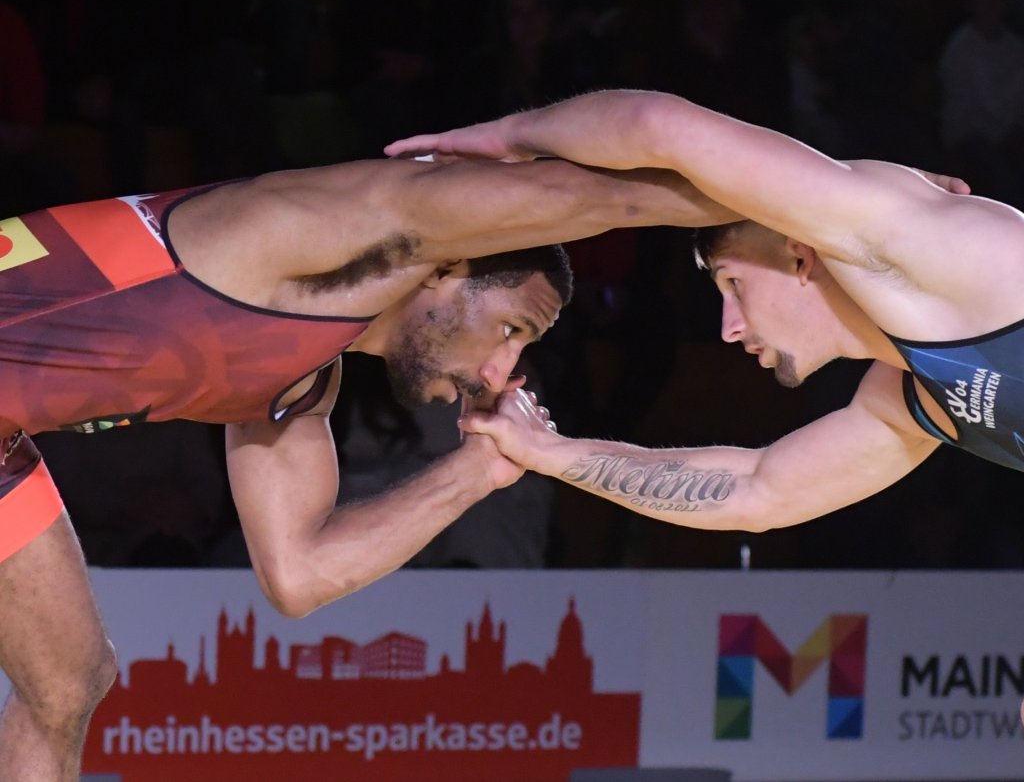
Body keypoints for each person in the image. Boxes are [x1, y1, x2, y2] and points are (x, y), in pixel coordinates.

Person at [388, 89, 1024, 782]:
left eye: (731, 285)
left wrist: (511, 136)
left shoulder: (927, 251)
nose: (728, 328)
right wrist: (552, 455)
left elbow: (663, 126)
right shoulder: (920, 389)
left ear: (798, 253)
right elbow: (759, 490)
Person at [0, 153, 739, 780]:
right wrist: (800, 202)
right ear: (448, 268)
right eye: (512, 328)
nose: (500, 369)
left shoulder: (299, 377)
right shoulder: (323, 234)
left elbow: (299, 574)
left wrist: (477, 471)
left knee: (70, 681)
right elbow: (594, 193)